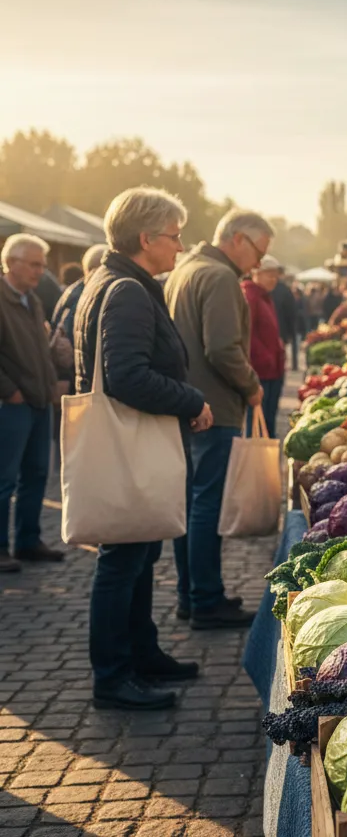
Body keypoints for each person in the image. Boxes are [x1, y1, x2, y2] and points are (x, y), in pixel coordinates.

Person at [75, 187, 213, 710]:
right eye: (175, 237)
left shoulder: (112, 280)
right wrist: (191, 399)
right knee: (123, 558)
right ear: (146, 237)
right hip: (131, 445)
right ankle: (113, 675)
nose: (180, 247)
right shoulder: (128, 290)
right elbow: (128, 376)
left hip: (132, 443)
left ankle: (140, 653)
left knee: (137, 552)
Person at [165, 208, 274, 630]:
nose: (260, 263)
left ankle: (191, 594)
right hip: (214, 406)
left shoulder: (186, 268)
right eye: (259, 251)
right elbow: (223, 349)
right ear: (239, 239)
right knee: (206, 503)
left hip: (188, 402)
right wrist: (251, 385)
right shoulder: (221, 277)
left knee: (191, 502)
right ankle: (206, 599)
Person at [0, 235, 65, 573]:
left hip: (38, 401)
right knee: (5, 479)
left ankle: (27, 540)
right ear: (11, 262)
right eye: (35, 264)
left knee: (37, 474)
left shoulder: (32, 300)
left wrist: (51, 380)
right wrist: (9, 391)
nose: (41, 271)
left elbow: (38, 351)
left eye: (42, 264)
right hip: (13, 404)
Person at [242, 255, 286, 438]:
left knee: (269, 420)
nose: (274, 279)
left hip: (273, 369)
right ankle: (258, 463)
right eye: (269, 274)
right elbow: (247, 334)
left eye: (276, 275)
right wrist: (264, 358)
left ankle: (266, 460)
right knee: (259, 423)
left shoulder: (266, 297)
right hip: (260, 371)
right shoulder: (250, 296)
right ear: (256, 273)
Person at [269, 267, 298, 372]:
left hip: (271, 328)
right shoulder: (285, 290)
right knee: (279, 356)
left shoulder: (266, 288)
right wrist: (290, 332)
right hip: (282, 328)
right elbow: (291, 312)